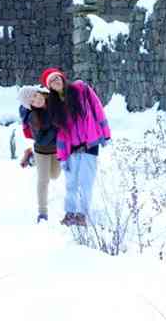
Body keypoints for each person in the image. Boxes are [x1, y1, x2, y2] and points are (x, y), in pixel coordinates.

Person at [39, 67, 111, 227]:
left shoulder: (81, 89)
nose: (55, 82)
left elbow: (98, 109)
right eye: (51, 82)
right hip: (71, 148)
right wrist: (62, 156)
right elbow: (61, 134)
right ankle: (70, 213)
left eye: (56, 78)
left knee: (85, 181)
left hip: (90, 142)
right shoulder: (54, 105)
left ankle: (81, 215)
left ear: (62, 78)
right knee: (71, 183)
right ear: (49, 87)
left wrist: (105, 133)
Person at [18, 85, 61, 223]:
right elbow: (41, 140)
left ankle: (31, 158)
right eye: (32, 101)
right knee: (43, 180)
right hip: (42, 150)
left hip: (56, 149)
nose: (36, 100)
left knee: (54, 175)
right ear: (30, 106)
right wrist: (55, 127)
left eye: (35, 95)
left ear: (39, 92)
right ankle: (42, 213)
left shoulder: (54, 102)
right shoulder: (33, 116)